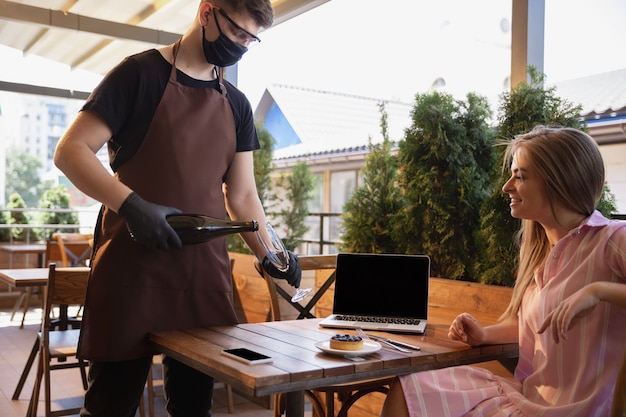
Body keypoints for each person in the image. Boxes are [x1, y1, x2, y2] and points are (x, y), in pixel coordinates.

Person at [53, 1, 301, 416]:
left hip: (201, 275)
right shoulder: (137, 75)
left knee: (193, 408)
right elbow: (71, 152)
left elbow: (241, 197)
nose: (241, 46)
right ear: (207, 13)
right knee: (110, 406)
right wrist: (131, 206)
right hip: (132, 269)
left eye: (250, 40)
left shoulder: (237, 106)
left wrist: (272, 254)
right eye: (238, 33)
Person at [381, 126, 626, 417]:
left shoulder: (612, 240)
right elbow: (535, 326)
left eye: (520, 176)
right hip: (530, 398)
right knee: (410, 389)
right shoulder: (541, 252)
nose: (506, 186)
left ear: (558, 181)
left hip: (579, 410)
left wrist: (598, 292)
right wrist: (484, 334)